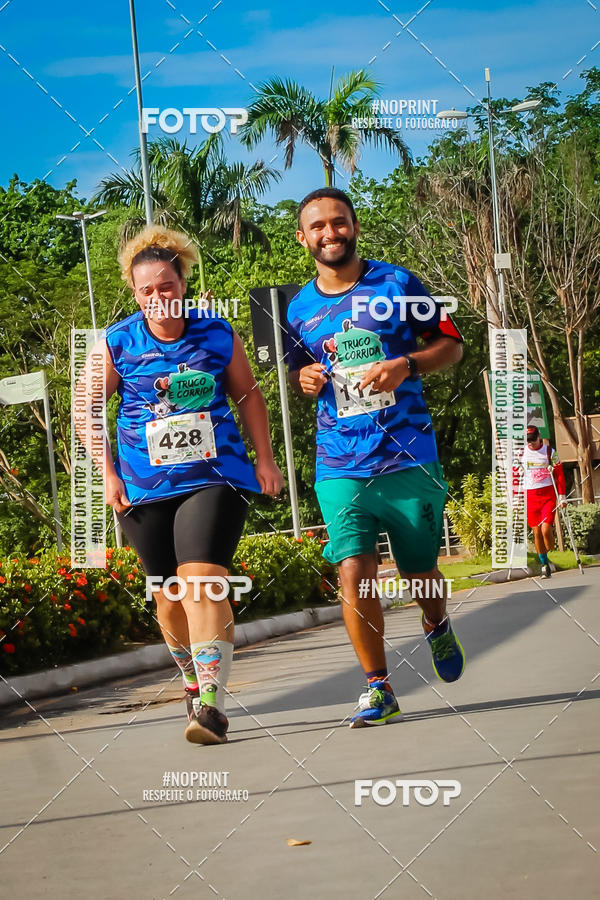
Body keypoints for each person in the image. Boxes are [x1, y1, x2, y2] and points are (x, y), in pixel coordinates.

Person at [78, 225, 283, 745]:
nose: (157, 297)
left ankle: (211, 704)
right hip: (143, 487)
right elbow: (87, 408)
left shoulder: (215, 332)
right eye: (146, 290)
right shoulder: (118, 342)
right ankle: (191, 682)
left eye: (165, 286)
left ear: (182, 282)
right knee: (167, 595)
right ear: (134, 291)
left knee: (203, 579)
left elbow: (250, 397)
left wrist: (265, 459)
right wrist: (106, 472)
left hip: (214, 476)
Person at [286, 187, 466, 727]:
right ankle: (378, 686)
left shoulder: (398, 284)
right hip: (340, 458)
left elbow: (452, 347)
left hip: (407, 453)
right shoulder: (298, 308)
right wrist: (306, 378)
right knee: (354, 569)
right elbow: (301, 375)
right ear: (303, 238)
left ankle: (435, 622)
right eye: (317, 226)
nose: (329, 233)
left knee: (420, 570)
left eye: (338, 223)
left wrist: (405, 365)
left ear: (354, 227)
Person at [525, 425, 566, 578]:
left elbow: (560, 474)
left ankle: (548, 550)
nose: (531, 443)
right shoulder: (522, 454)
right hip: (531, 496)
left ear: (539, 436)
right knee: (536, 532)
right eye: (528, 440)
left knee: (545, 530)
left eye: (533, 439)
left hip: (548, 494)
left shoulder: (550, 452)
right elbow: (515, 475)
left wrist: (562, 497)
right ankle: (544, 564)